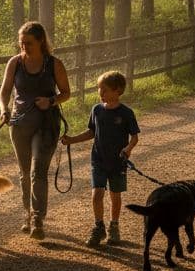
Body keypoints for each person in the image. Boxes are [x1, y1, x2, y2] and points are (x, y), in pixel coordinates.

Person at [0, 21, 71, 240]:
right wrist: (4, 110)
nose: (24, 47)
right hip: (19, 123)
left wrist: (50, 100)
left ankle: (38, 218)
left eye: (28, 43)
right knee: (24, 172)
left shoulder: (54, 64)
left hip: (46, 124)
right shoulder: (15, 63)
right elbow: (4, 92)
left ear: (41, 41)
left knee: (38, 171)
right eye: (21, 43)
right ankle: (27, 214)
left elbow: (66, 93)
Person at [60, 70, 140, 247]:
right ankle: (98, 226)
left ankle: (114, 225)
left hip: (117, 162)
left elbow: (134, 137)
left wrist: (128, 149)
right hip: (98, 160)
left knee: (115, 195)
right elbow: (91, 132)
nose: (100, 93)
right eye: (99, 89)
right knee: (97, 194)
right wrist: (71, 140)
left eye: (104, 89)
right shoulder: (96, 110)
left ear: (117, 90)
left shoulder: (126, 113)